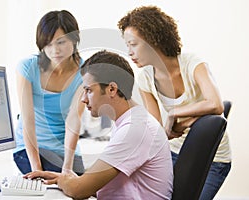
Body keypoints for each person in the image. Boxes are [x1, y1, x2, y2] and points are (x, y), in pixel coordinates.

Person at [24, 50, 173, 199]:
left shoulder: (136, 129)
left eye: (88, 90)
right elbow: (96, 185)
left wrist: (70, 182)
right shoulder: (130, 121)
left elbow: (78, 190)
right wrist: (63, 180)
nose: (83, 99)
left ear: (112, 89)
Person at [118, 5, 231, 200]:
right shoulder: (145, 77)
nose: (129, 52)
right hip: (173, 153)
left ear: (153, 40)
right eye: (127, 45)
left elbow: (216, 104)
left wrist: (173, 114)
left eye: (133, 44)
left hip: (213, 159)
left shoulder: (192, 63)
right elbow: (158, 131)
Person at [13, 10, 85, 175]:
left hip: (64, 148)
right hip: (31, 148)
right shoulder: (27, 67)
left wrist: (67, 167)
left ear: (74, 40)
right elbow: (28, 121)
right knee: (56, 184)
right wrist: (36, 169)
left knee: (81, 187)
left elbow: (74, 119)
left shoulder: (84, 71)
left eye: (61, 42)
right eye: (48, 44)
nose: (55, 50)